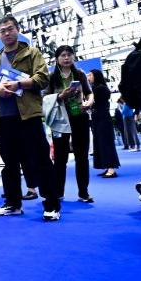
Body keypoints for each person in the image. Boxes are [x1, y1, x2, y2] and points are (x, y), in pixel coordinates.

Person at [0, 15, 60, 220]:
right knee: (9, 164)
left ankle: (51, 205)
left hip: (28, 116)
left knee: (41, 160)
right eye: (3, 31)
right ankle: (13, 203)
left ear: (17, 30)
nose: (7, 33)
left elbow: (43, 78)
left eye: (10, 29)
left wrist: (19, 84)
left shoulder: (32, 53)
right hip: (3, 119)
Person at [45, 45, 94, 202]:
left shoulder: (80, 74)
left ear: (73, 57)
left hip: (80, 117)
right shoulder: (51, 76)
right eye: (63, 55)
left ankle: (83, 192)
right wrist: (61, 96)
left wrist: (89, 102)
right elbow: (45, 98)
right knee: (60, 158)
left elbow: (89, 93)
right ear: (57, 59)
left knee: (82, 157)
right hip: (60, 120)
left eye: (69, 55)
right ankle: (58, 192)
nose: (66, 58)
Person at [88, 69, 120, 178]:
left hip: (102, 118)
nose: (88, 77)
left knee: (105, 143)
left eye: (90, 75)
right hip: (99, 118)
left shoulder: (99, 88)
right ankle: (107, 167)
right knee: (101, 143)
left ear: (96, 76)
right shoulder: (98, 88)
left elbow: (94, 103)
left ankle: (111, 169)